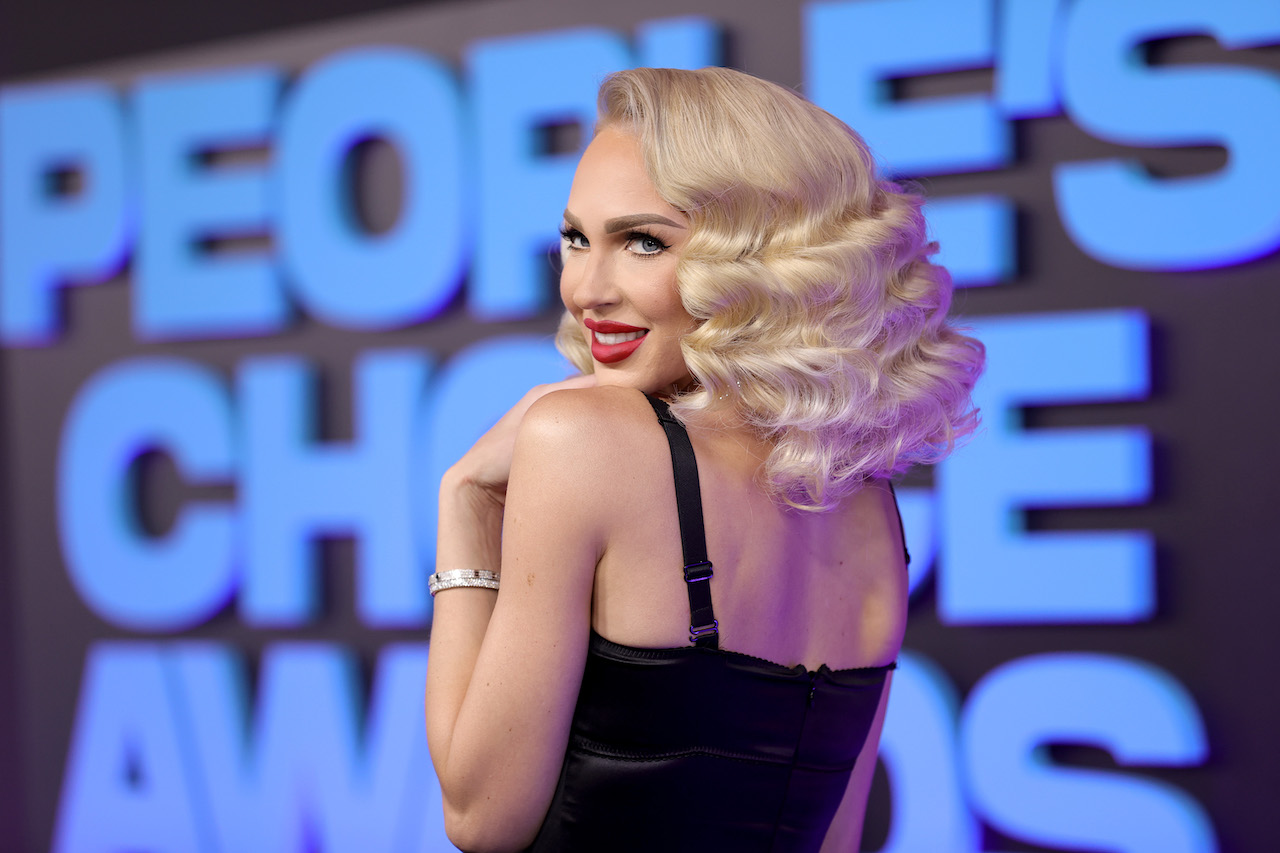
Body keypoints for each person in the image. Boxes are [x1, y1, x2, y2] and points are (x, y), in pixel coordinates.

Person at [425, 66, 983, 852]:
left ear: (758, 259)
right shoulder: (865, 499)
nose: (586, 288)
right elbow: (840, 837)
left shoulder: (581, 435)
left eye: (642, 241)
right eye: (576, 238)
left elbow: (482, 818)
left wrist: (465, 501)